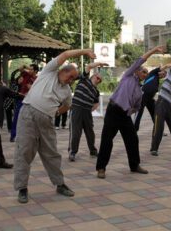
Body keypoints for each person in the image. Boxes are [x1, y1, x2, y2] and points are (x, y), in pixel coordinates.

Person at [14, 49, 96, 204]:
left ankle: (60, 184)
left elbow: (67, 105)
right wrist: (85, 52)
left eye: (73, 79)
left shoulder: (66, 91)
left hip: (47, 121)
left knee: (52, 154)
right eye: (70, 76)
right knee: (24, 151)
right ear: (62, 71)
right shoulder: (49, 72)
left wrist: (56, 113)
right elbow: (65, 55)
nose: (70, 80)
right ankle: (22, 188)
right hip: (28, 115)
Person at [96, 45, 165, 179]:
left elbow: (136, 107)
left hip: (124, 115)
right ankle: (101, 168)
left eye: (146, 73)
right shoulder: (128, 75)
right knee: (107, 140)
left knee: (132, 139)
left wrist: (129, 111)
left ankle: (134, 165)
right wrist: (155, 50)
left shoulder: (140, 91)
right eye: (143, 72)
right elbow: (141, 59)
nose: (145, 74)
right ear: (137, 71)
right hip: (113, 110)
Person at [68, 62, 108, 162]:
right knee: (75, 132)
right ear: (93, 76)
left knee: (90, 132)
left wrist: (89, 110)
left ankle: (93, 151)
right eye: (97, 77)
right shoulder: (84, 79)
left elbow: (96, 103)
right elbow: (88, 66)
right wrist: (99, 63)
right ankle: (72, 152)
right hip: (77, 109)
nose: (98, 80)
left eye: (100, 80)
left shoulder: (96, 91)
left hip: (86, 112)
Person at [133, 64, 171, 132]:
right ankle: (134, 130)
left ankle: (158, 130)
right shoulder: (153, 73)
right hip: (143, 97)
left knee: (155, 114)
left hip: (150, 99)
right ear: (160, 71)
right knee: (139, 113)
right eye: (163, 73)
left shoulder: (157, 81)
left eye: (164, 75)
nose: (163, 75)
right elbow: (164, 66)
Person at [10, 64, 39, 141]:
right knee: (17, 117)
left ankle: (29, 136)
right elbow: (21, 68)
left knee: (31, 119)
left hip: (31, 101)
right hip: (21, 99)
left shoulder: (38, 79)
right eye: (29, 69)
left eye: (32, 69)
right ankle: (13, 136)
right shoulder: (26, 74)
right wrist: (27, 67)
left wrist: (32, 88)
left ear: (36, 71)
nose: (29, 70)